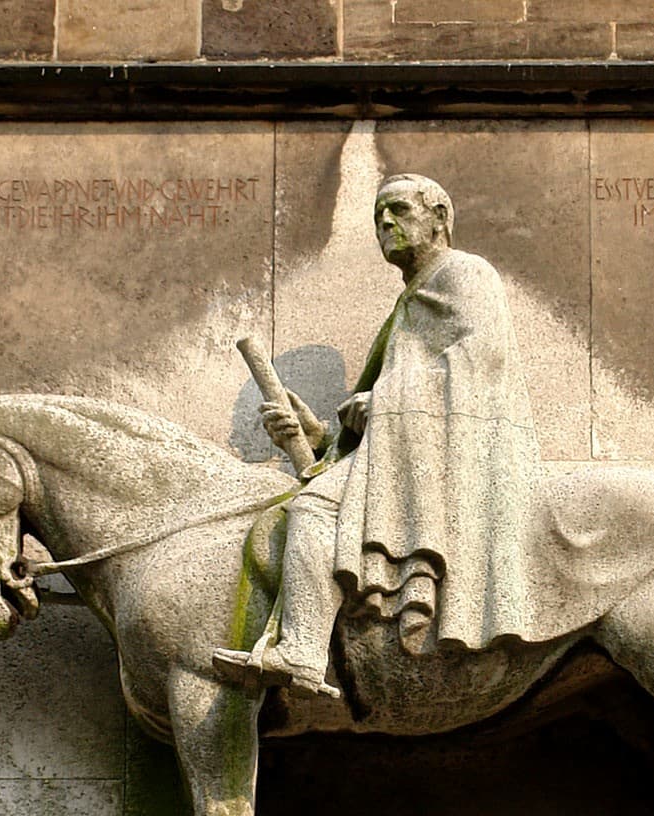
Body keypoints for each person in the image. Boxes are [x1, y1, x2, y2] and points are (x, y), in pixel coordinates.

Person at [212, 173, 541, 698]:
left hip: (458, 455)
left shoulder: (465, 274)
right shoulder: (407, 307)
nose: (385, 222)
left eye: (399, 210)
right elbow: (372, 423)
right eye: (377, 215)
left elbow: (480, 361)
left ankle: (300, 650)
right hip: (413, 450)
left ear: (440, 218)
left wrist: (385, 401)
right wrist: (316, 434)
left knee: (316, 509)